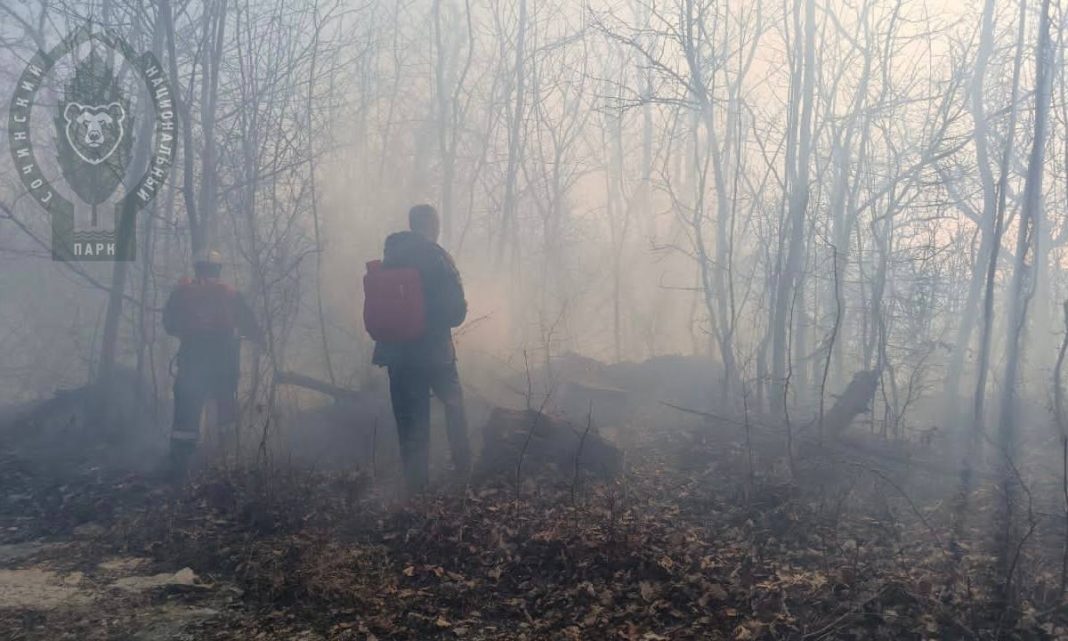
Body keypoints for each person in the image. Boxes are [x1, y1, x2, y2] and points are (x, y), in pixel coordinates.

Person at [372, 204, 471, 492]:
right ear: (432, 225)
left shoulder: (390, 256)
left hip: (396, 353)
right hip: (434, 352)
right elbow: (455, 312)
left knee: (410, 420)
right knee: (454, 407)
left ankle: (417, 490)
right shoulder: (437, 256)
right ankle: (464, 474)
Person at [162, 250, 264, 475]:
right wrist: (260, 339)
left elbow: (169, 324)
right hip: (224, 360)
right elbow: (249, 324)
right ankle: (228, 462)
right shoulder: (230, 293)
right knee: (226, 410)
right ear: (218, 269)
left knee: (186, 414)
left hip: (192, 359)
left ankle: (179, 467)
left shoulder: (182, 292)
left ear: (197, 268)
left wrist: (187, 332)